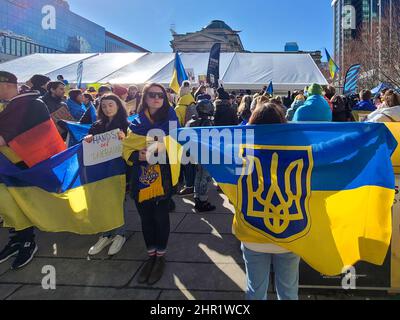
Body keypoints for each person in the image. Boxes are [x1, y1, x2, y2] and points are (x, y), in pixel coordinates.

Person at [0, 71, 62, 269]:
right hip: (12, 166)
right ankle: (18, 238)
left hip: (23, 167)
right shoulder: (20, 104)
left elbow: (5, 138)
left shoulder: (27, 104)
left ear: (5, 84)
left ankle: (27, 241)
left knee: (20, 202)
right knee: (10, 203)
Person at [242, 102, 300, 300]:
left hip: (253, 232)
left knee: (255, 290)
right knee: (289, 291)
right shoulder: (297, 150)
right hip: (290, 234)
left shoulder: (241, 150)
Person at [122, 83, 179, 285]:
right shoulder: (135, 123)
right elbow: (126, 149)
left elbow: (177, 145)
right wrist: (136, 154)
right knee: (145, 218)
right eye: (152, 95)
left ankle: (160, 257)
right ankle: (151, 255)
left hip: (163, 177)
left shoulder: (171, 119)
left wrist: (158, 152)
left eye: (161, 95)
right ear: (145, 97)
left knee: (160, 217)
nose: (157, 98)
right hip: (140, 177)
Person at [84, 94, 130, 256]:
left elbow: (132, 148)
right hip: (100, 171)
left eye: (111, 105)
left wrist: (126, 139)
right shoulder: (96, 125)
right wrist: (88, 139)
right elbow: (90, 147)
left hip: (119, 171)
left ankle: (120, 233)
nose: (107, 108)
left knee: (118, 201)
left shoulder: (126, 124)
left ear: (118, 106)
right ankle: (107, 233)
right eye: (104, 106)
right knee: (103, 201)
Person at [186, 99, 216, 212]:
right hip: (205, 154)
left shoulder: (191, 121)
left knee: (198, 176)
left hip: (194, 153)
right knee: (204, 178)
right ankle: (202, 201)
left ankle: (197, 198)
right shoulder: (206, 122)